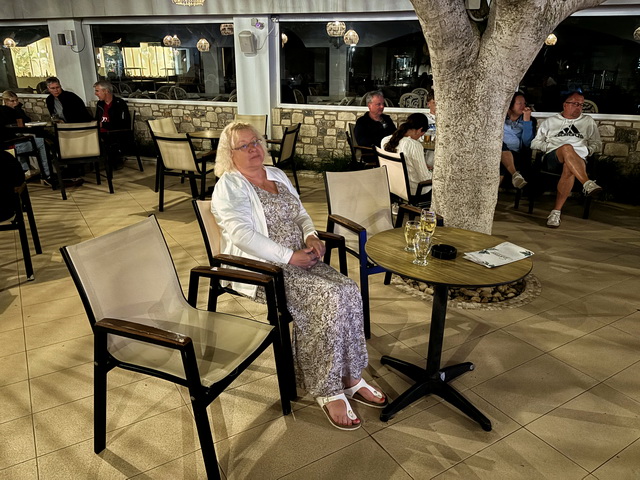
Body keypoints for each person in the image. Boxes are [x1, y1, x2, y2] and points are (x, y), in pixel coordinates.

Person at [211, 122, 387, 431]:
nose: (254, 149)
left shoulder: (277, 174)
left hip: (301, 257)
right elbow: (241, 235)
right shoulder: (229, 185)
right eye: (244, 145)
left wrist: (310, 236)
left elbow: (300, 213)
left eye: (256, 142)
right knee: (329, 297)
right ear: (230, 153)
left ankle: (350, 375)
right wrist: (289, 256)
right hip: (266, 267)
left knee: (348, 289)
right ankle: (326, 388)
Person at [531, 91, 603, 228]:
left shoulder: (588, 121)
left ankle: (555, 212)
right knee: (567, 148)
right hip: (554, 157)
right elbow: (534, 143)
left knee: (569, 167)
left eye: (581, 105)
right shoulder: (550, 121)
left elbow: (597, 143)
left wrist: (588, 150)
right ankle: (587, 183)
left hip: (578, 159)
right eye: (575, 104)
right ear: (565, 105)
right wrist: (548, 147)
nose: (579, 107)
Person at [0, 90, 54, 186]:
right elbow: (21, 123)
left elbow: (26, 120)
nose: (15, 103)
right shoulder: (6, 111)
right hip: (10, 145)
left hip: (12, 142)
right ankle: (47, 175)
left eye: (16, 100)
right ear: (5, 101)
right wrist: (18, 109)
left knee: (34, 138)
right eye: (12, 101)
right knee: (41, 141)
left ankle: (26, 170)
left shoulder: (12, 110)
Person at [380, 113, 432, 197]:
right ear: (419, 130)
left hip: (392, 188)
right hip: (413, 191)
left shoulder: (385, 140)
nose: (419, 138)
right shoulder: (414, 145)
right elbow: (425, 178)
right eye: (421, 135)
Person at [500, 92, 536, 189]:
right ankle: (515, 175)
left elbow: (527, 143)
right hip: (495, 150)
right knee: (500, 146)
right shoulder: (500, 118)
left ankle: (491, 196)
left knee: (500, 160)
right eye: (519, 103)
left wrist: (526, 120)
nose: (523, 106)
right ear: (510, 105)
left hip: (515, 154)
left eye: (524, 103)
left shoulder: (528, 120)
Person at [94, 80, 132, 169]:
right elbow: (96, 119)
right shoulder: (100, 104)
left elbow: (123, 123)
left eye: (97, 91)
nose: (95, 94)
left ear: (106, 91)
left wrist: (103, 125)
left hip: (114, 133)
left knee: (106, 139)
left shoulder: (119, 103)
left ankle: (114, 160)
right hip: (100, 131)